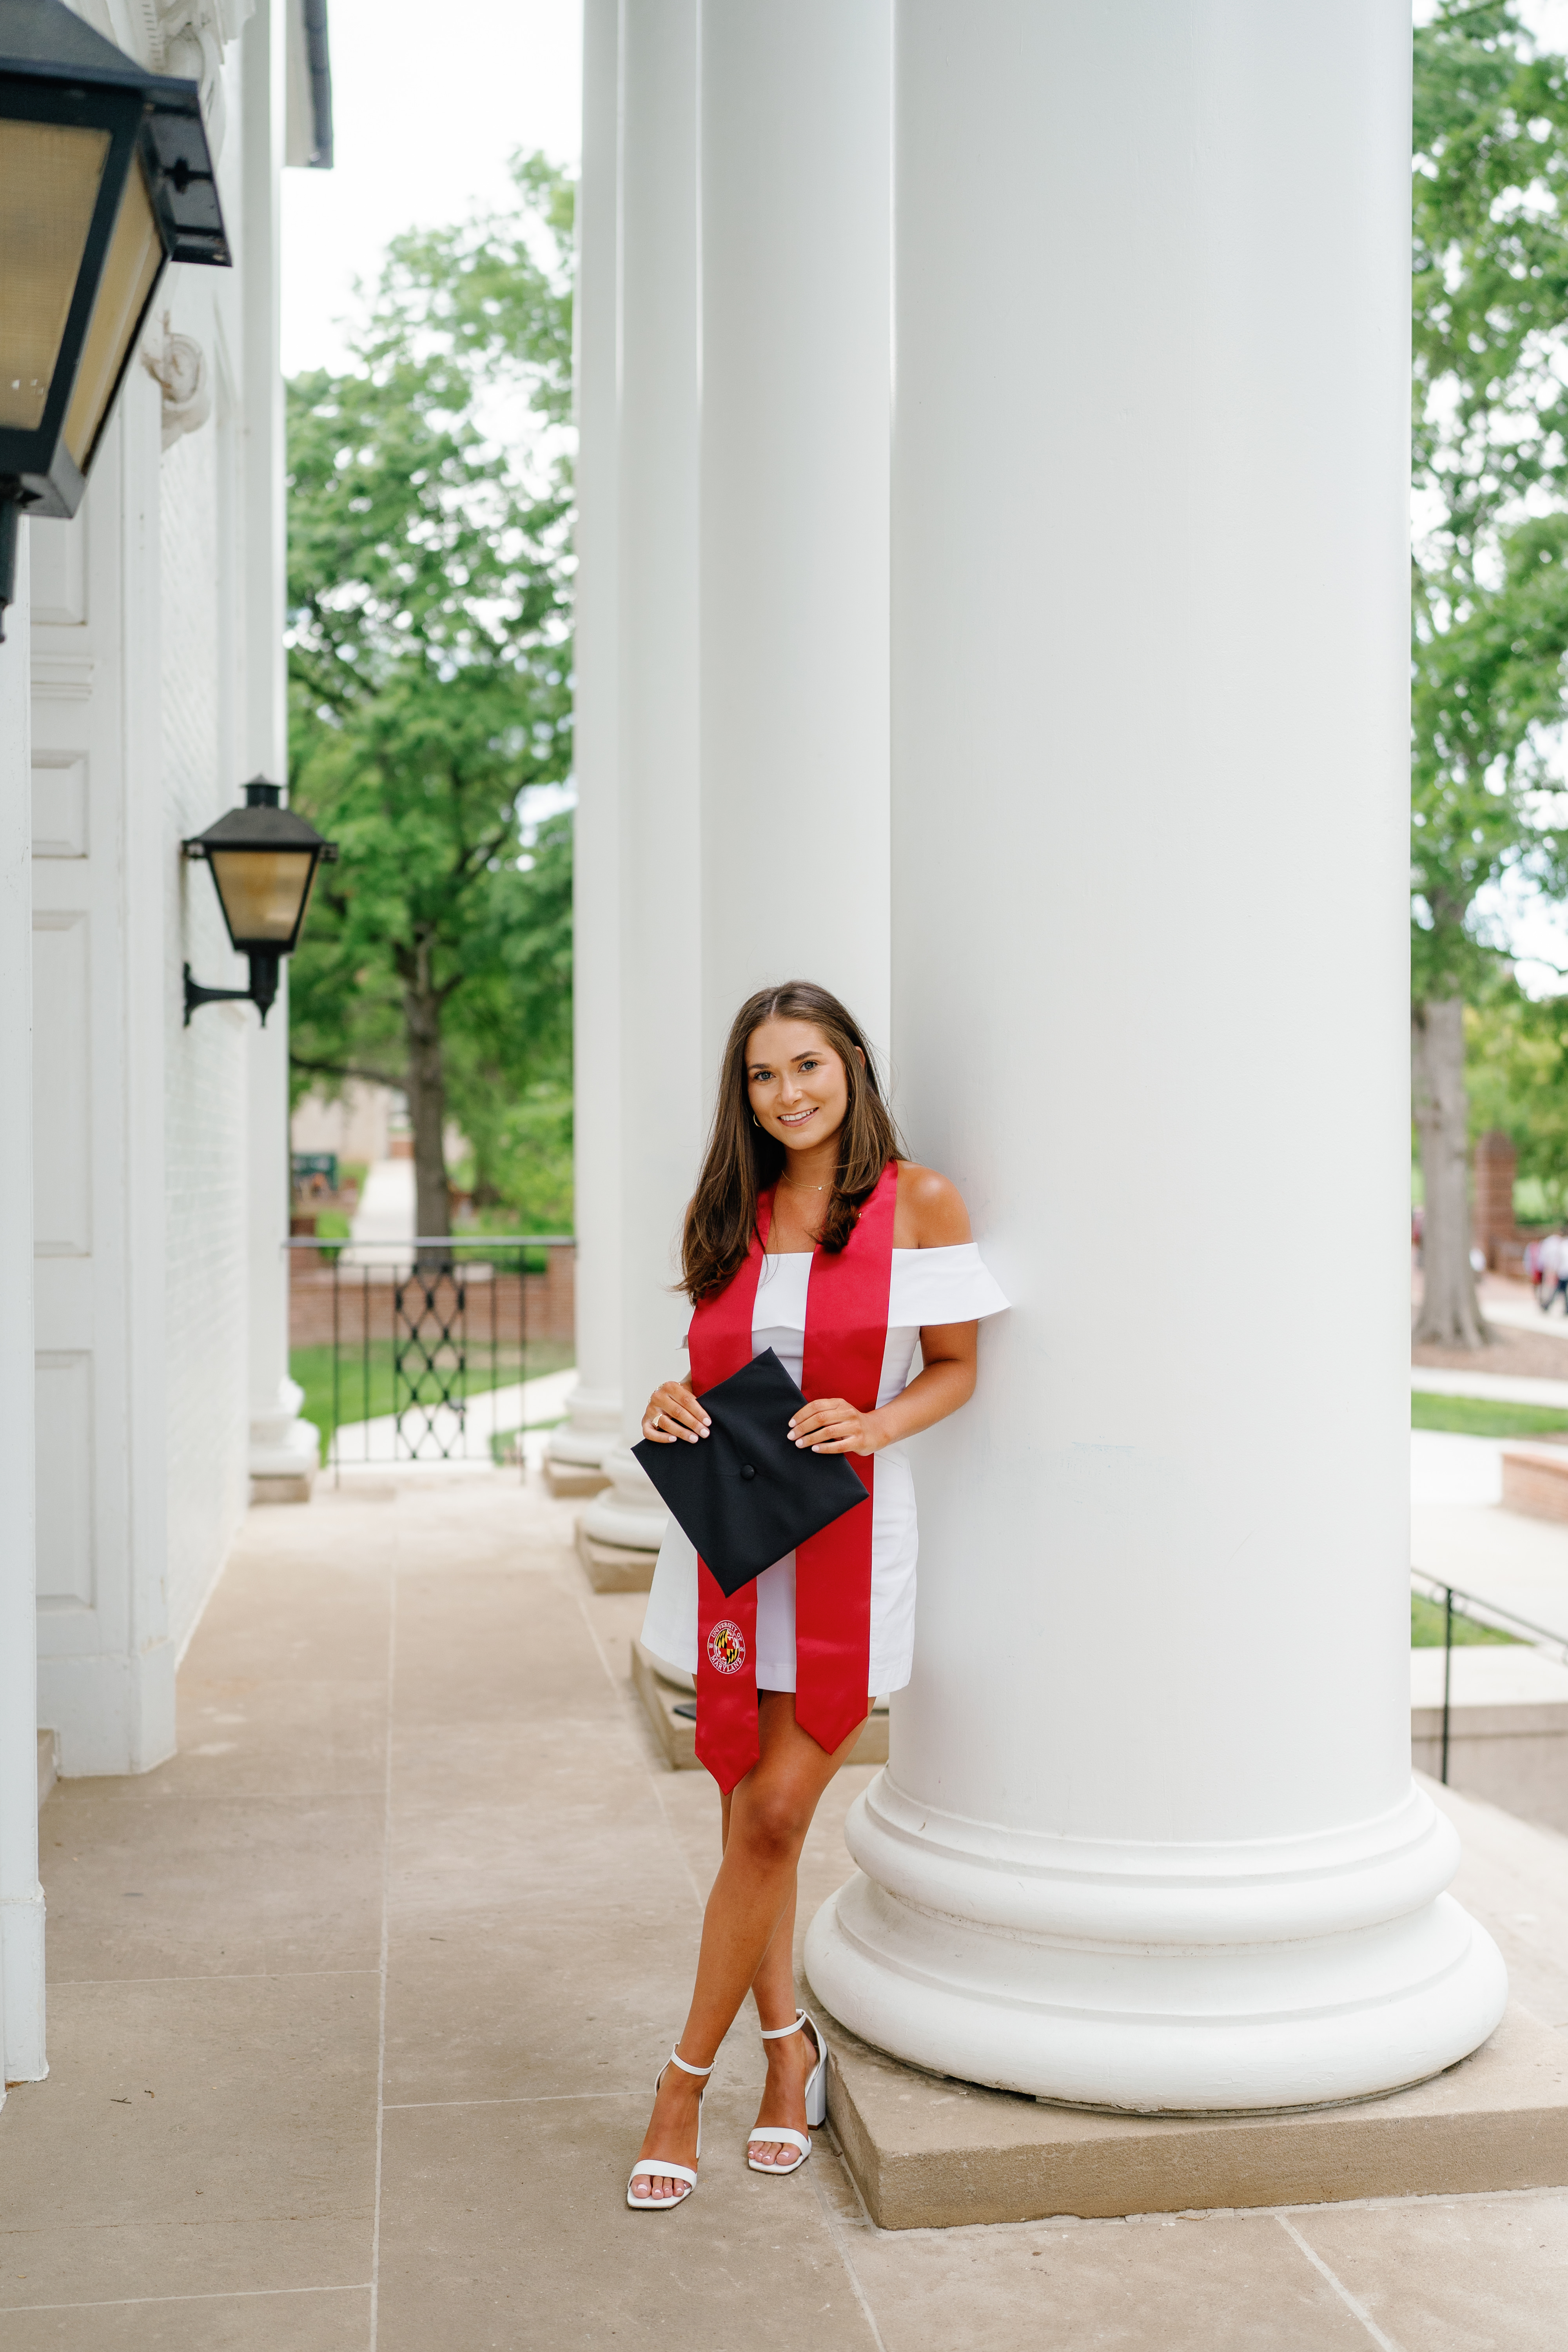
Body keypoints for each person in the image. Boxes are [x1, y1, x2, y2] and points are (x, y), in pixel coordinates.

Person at [625, 981, 1007, 2210]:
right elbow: (707, 1375)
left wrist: (877, 1418)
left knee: (778, 1814)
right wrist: (663, 1403)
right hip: (736, 1542)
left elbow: (957, 1369)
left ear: (851, 1063)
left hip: (848, 1535)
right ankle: (788, 2063)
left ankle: (681, 2083)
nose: (787, 1094)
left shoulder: (918, 1203)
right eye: (760, 1075)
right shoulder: (729, 1209)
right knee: (756, 1822)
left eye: (807, 1066)